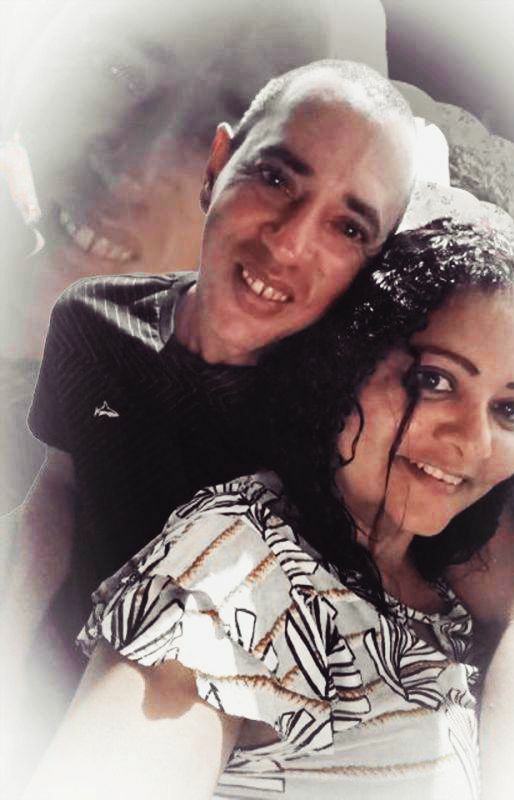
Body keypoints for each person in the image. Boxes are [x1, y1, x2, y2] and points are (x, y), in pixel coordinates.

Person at [22, 220, 514, 800]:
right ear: (346, 366)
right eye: (434, 380)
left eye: (510, 409)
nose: (474, 442)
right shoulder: (243, 574)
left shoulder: (437, 561)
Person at [0, 57, 417, 790]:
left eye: (348, 227)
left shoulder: (340, 428)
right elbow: (59, 489)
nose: (288, 243)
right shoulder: (90, 320)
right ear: (217, 166)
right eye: (276, 178)